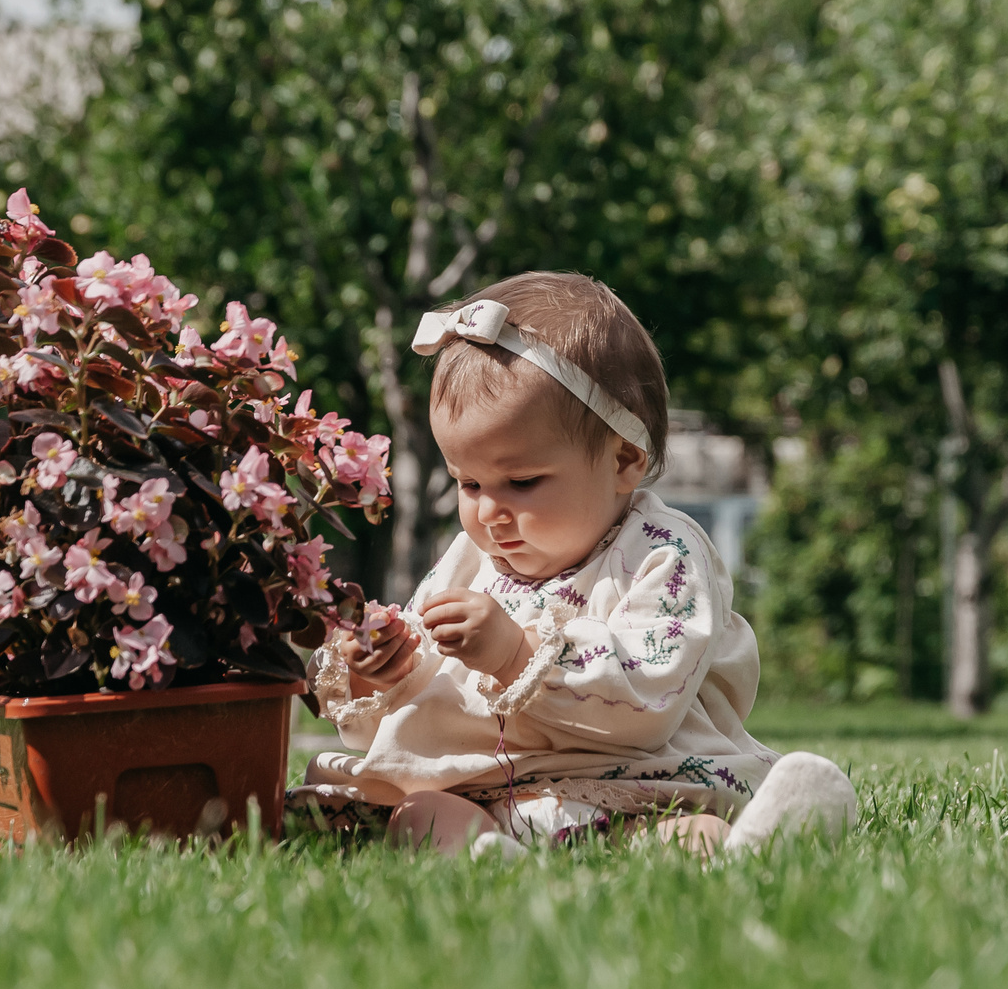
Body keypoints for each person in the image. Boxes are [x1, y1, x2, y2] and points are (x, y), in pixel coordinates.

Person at [291, 272, 857, 858]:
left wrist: (516, 653)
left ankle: (751, 846)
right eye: (468, 481)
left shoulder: (662, 552)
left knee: (683, 831)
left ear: (623, 462)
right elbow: (425, 683)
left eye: (523, 481)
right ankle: (491, 861)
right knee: (420, 812)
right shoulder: (472, 558)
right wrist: (380, 669)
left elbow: (650, 693)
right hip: (484, 791)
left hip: (632, 786)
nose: (489, 511)